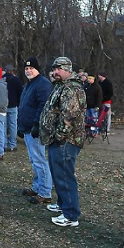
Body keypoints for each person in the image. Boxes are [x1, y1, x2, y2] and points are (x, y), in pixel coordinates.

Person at [39, 56, 86, 227]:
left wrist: (59, 136)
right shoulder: (61, 86)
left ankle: (70, 215)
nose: (54, 72)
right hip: (58, 140)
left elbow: (69, 115)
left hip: (66, 141)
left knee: (65, 175)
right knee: (58, 174)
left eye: (58, 69)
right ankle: (62, 204)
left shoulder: (72, 88)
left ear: (67, 69)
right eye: (54, 69)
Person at [17, 56, 53, 205]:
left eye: (31, 68)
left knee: (39, 160)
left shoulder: (42, 84)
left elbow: (43, 106)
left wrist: (37, 125)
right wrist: (21, 126)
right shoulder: (29, 84)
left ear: (37, 69)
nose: (28, 71)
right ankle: (37, 187)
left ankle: (45, 192)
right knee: (34, 160)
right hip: (26, 127)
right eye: (26, 68)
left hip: (35, 128)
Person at [3, 64, 23, 152]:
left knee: (3, 126)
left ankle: (3, 144)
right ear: (12, 71)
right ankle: (12, 145)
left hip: (2, 106)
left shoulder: (1, 79)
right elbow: (20, 93)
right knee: (13, 126)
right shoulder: (16, 80)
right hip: (13, 105)